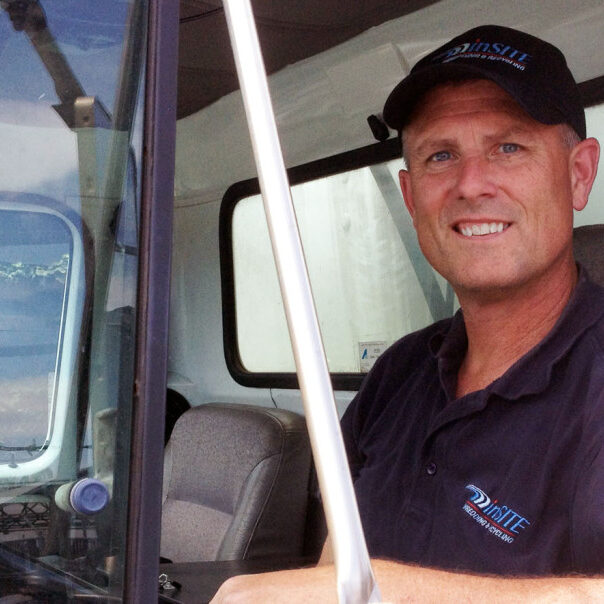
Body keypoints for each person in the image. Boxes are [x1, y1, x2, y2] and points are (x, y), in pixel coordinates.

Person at [211, 24, 604, 602]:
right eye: (441, 155)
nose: (472, 185)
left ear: (578, 173)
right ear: (412, 195)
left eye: (509, 148)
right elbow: (338, 559)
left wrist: (392, 590)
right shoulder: (399, 373)